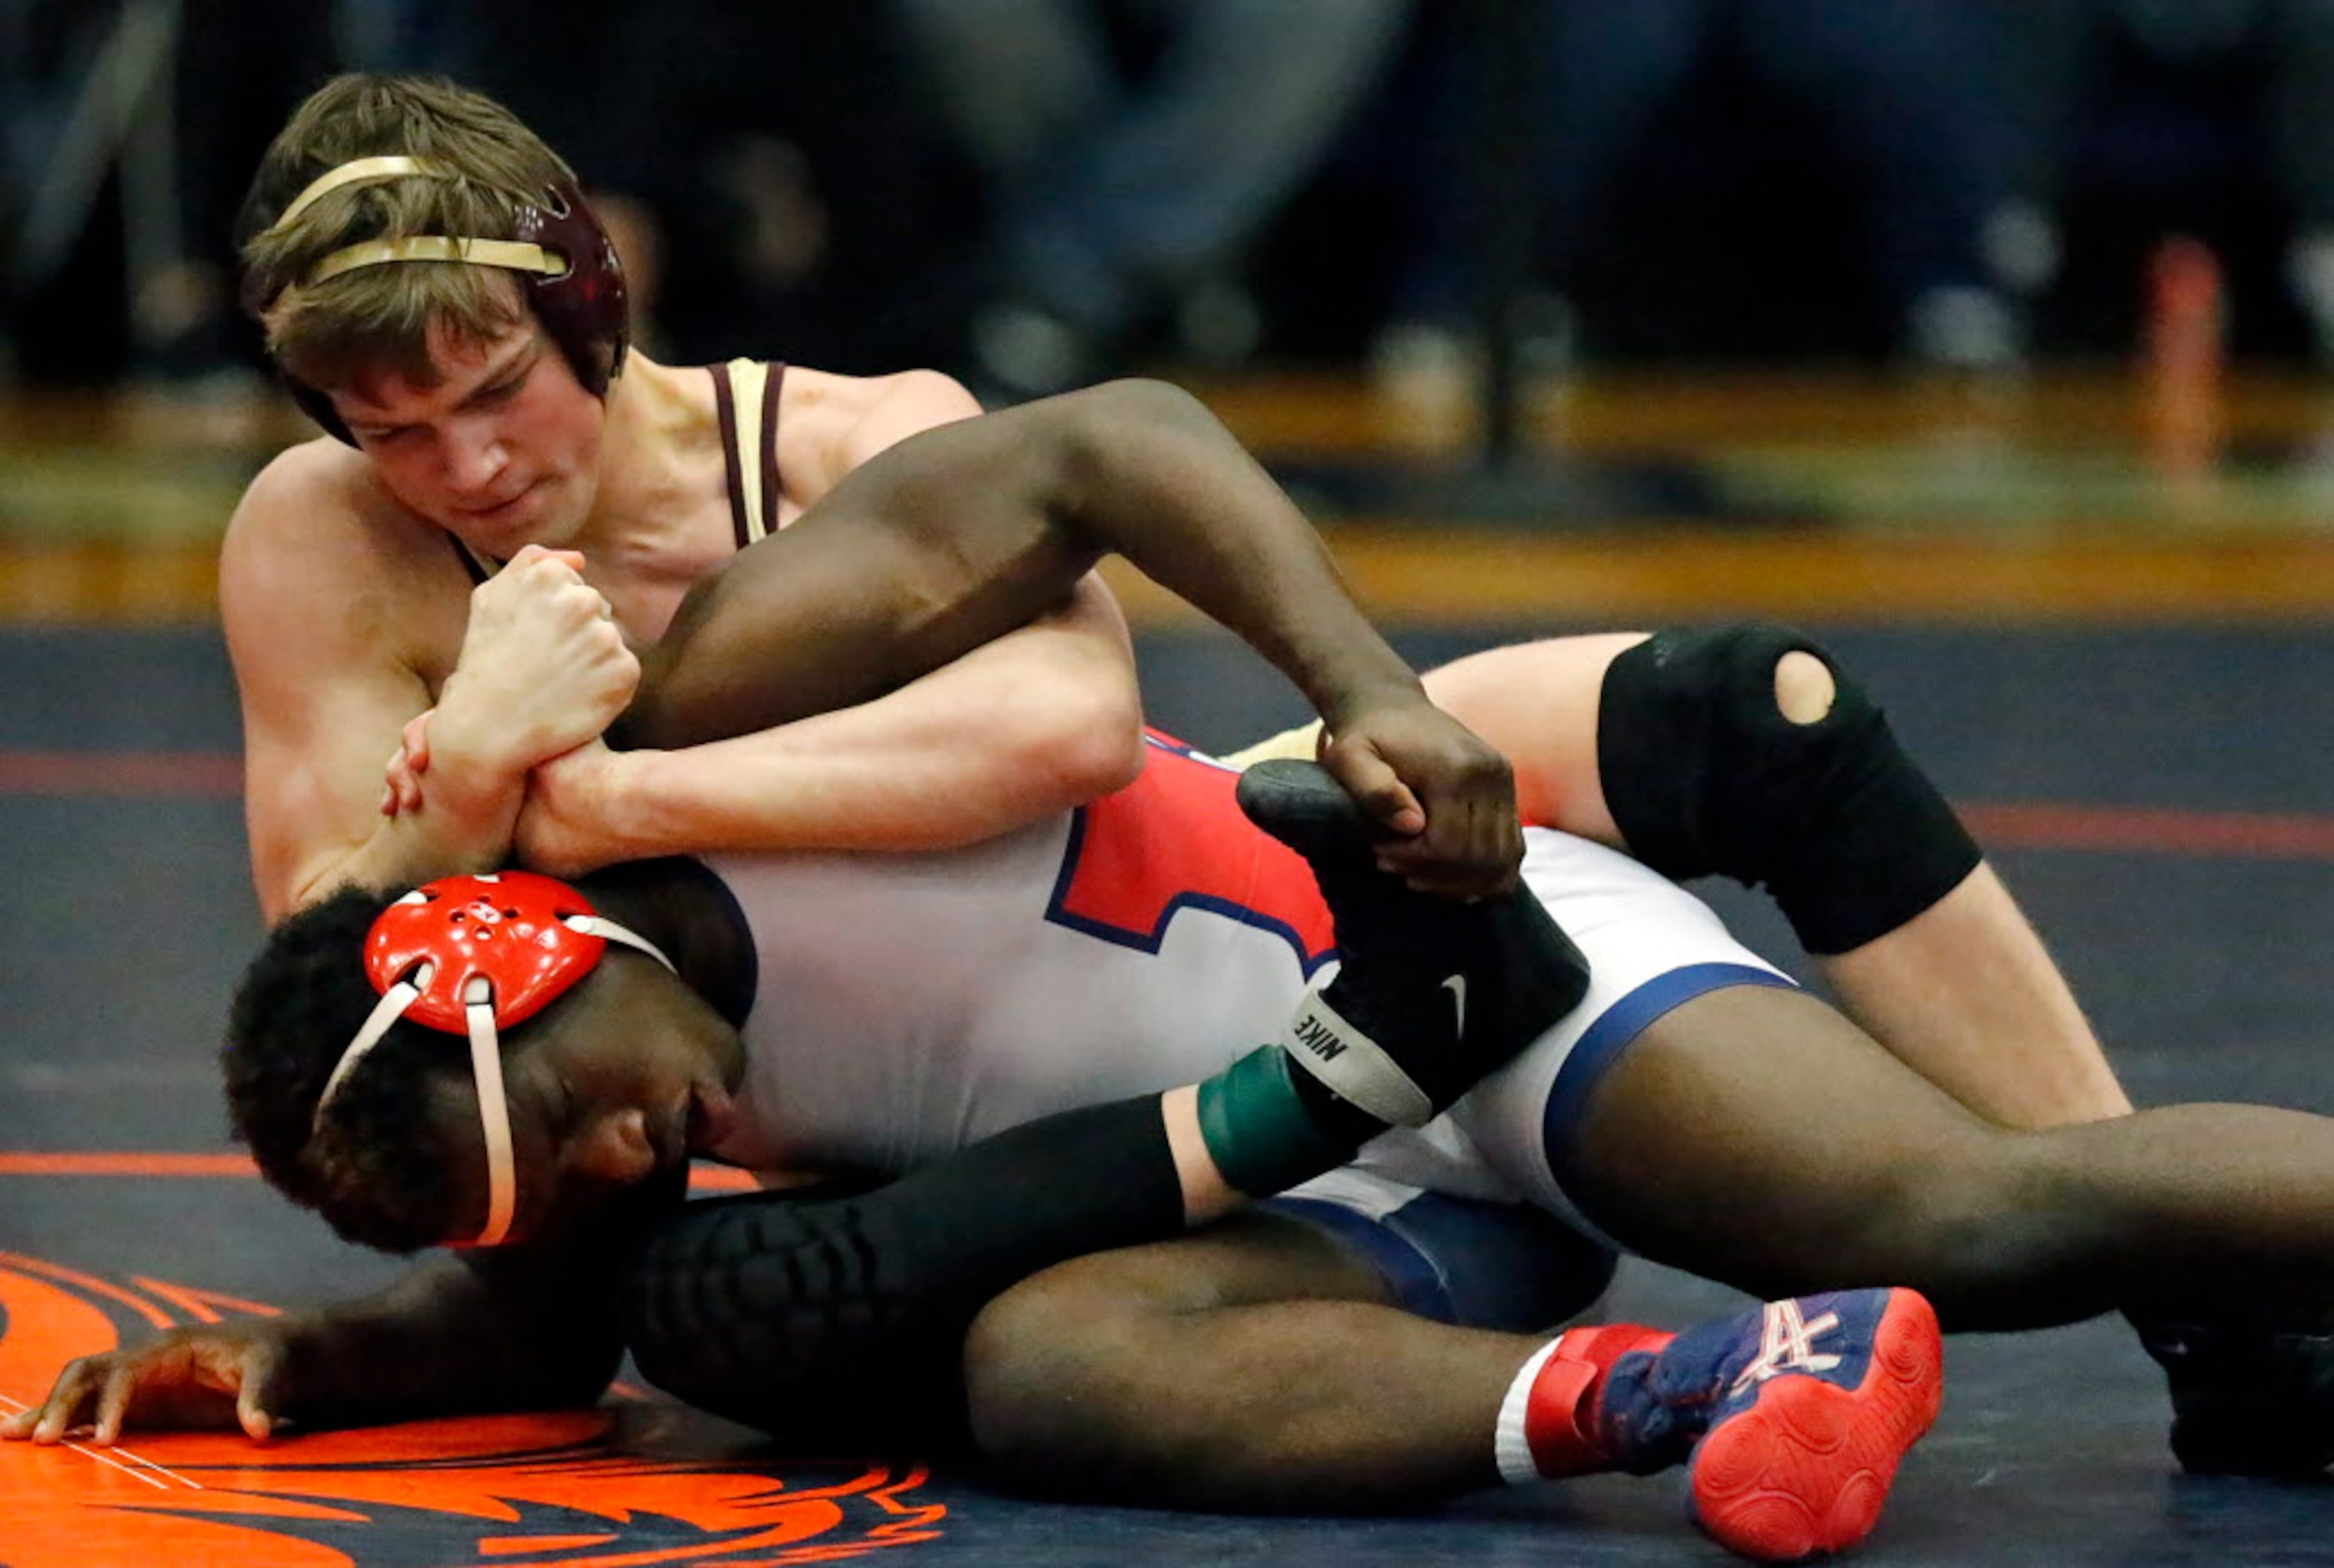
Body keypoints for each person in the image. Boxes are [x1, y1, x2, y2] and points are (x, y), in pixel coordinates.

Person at [230, 73, 2124, 1141]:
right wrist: (476, 753)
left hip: (1124, 882)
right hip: (896, 1091)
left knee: (1751, 711)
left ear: (597, 314)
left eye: (493, 398)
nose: (461, 472)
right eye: (393, 433)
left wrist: (571, 797)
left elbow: (1060, 736)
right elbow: (321, 1005)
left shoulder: (853, 447)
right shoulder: (325, 536)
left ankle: (2155, 1240)